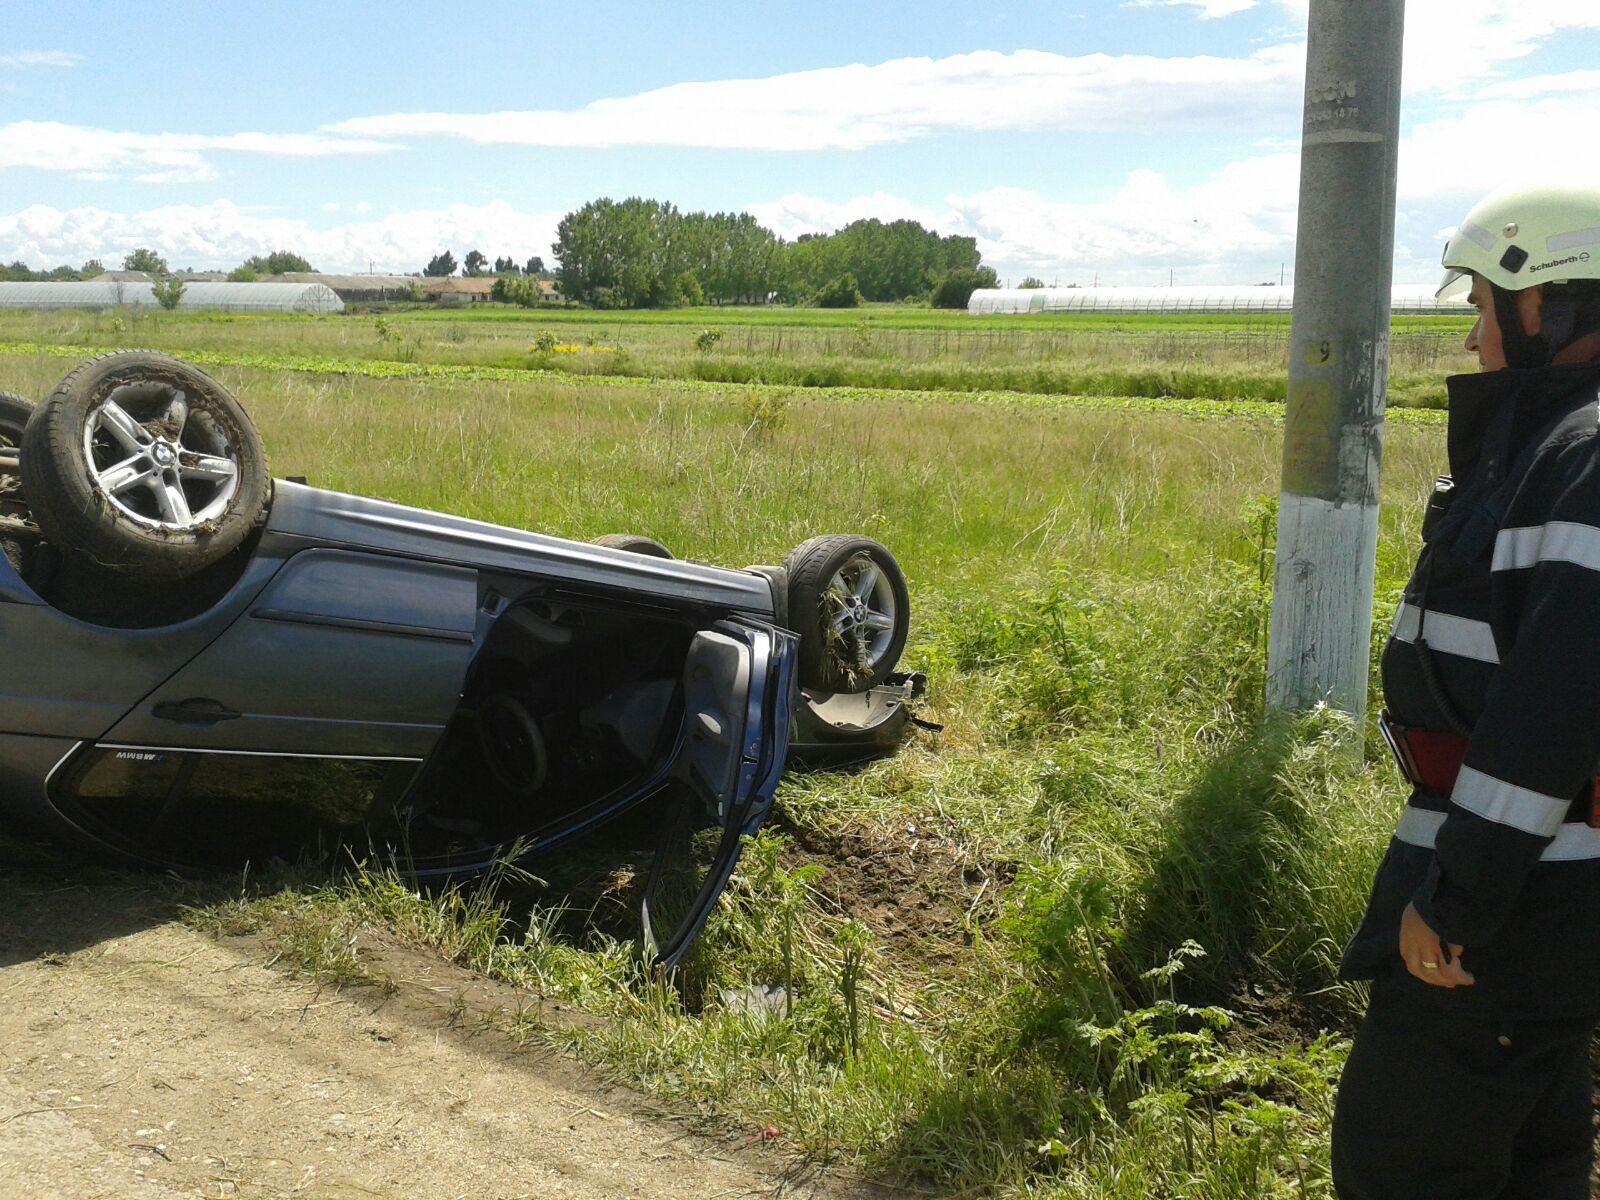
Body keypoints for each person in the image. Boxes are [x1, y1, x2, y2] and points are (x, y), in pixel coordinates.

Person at [1332, 184, 1600, 1199]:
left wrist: (1457, 899)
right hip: (1539, 892)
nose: (1474, 333)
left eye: (1485, 305)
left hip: (1518, 904)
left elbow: (1550, 713)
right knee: (1531, 1155)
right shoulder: (1554, 445)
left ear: (1548, 306)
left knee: (1405, 1157)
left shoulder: (1584, 457)